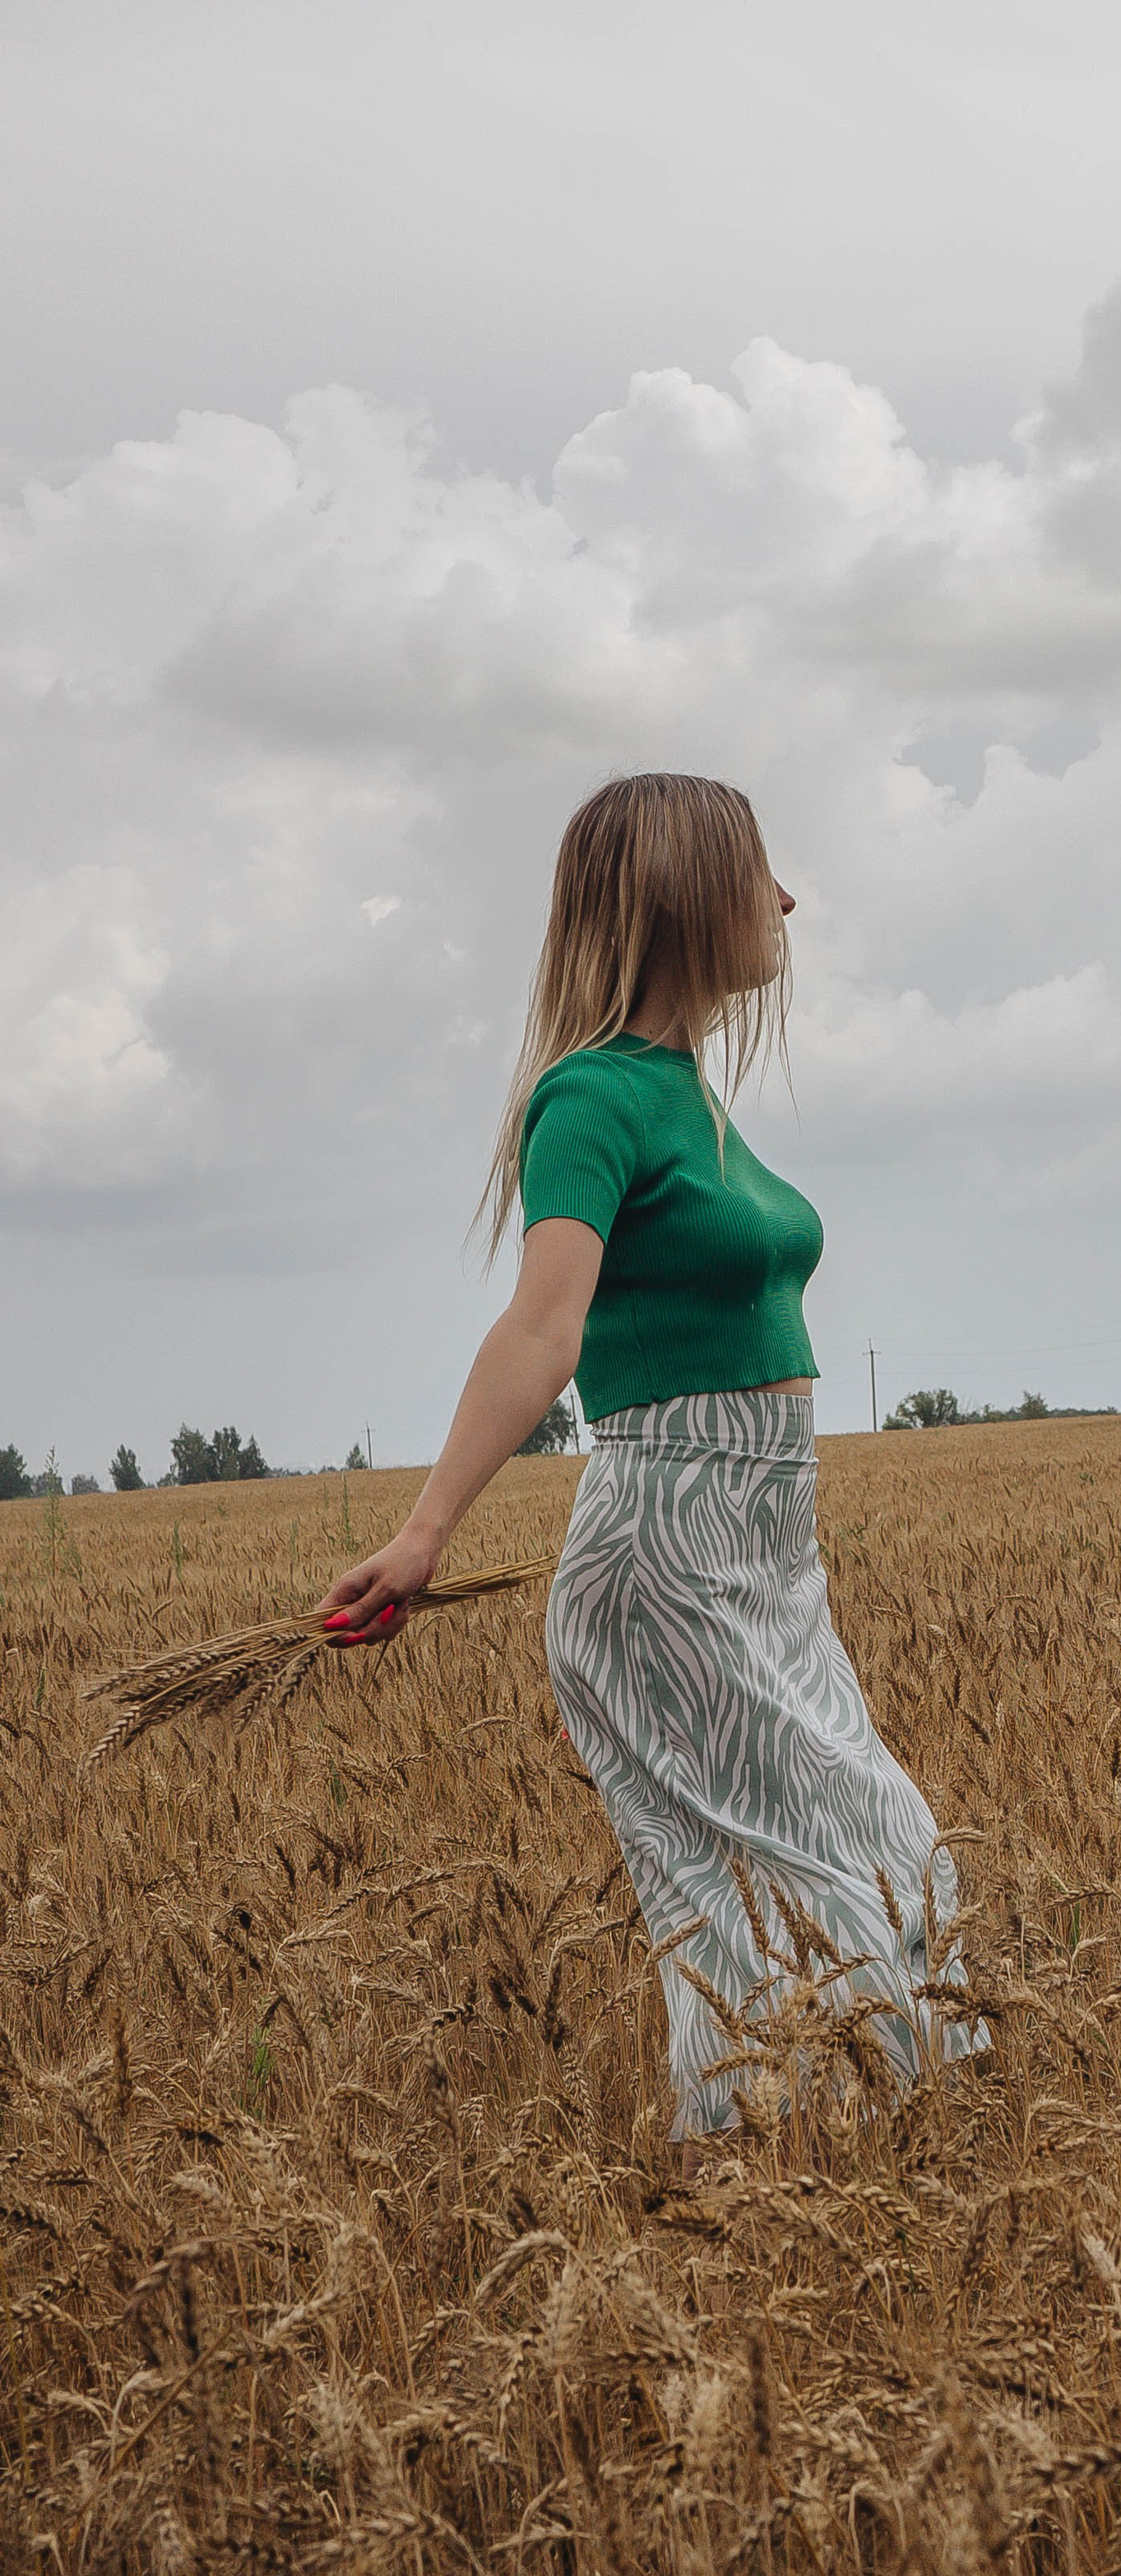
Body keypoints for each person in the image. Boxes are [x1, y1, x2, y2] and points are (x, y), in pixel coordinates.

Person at [320, 771, 978, 2174]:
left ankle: (789, 2204)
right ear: (686, 896)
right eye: (761, 874)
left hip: (753, 1560)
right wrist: (425, 1533)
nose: (789, 901)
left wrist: (788, 1548)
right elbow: (543, 1330)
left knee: (797, 1882)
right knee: (835, 1873)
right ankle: (842, 2192)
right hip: (667, 1560)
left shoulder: (690, 1098)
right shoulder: (593, 1098)